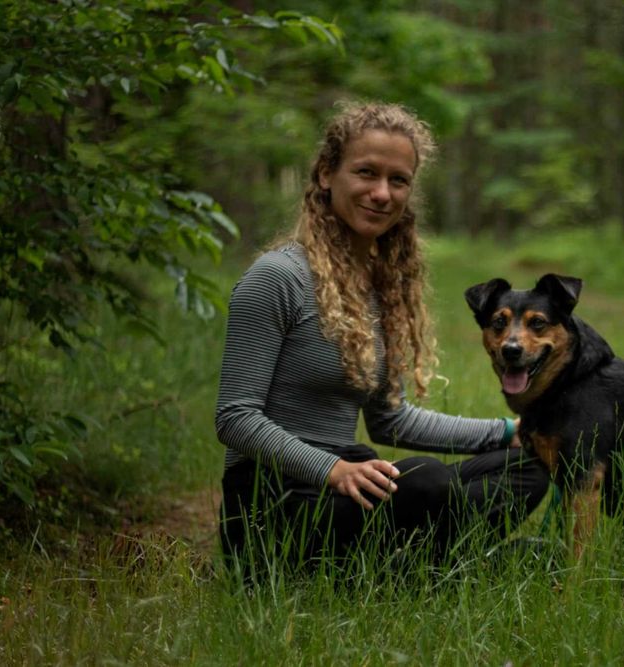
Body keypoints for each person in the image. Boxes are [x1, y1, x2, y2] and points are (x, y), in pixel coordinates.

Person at [214, 102, 548, 578]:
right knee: (427, 480)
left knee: (531, 463)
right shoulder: (277, 278)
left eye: (398, 180)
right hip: (275, 504)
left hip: (347, 492)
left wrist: (510, 432)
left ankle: (411, 569)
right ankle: (449, 566)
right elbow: (235, 418)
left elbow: (389, 422)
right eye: (366, 173)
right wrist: (332, 470)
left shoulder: (378, 287)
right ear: (327, 174)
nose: (381, 193)